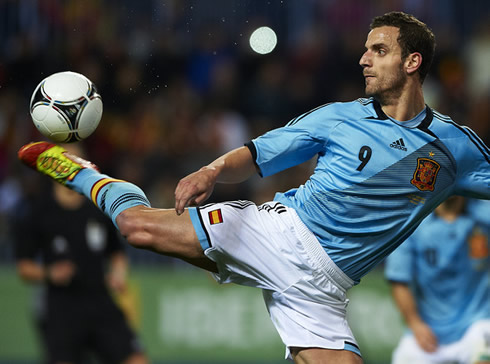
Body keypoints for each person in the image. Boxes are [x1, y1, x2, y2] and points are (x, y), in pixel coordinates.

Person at [18, 11, 490, 364]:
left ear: (413, 61)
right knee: (136, 228)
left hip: (323, 290)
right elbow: (258, 154)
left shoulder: (455, 148)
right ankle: (81, 171)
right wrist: (211, 171)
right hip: (277, 233)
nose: (364, 59)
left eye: (379, 51)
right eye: (365, 49)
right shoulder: (336, 117)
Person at [14, 145, 148, 364]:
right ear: (52, 165)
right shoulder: (38, 212)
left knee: (136, 360)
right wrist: (49, 273)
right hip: (62, 307)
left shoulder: (98, 207)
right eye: (65, 161)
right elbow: (23, 267)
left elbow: (116, 252)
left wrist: (118, 273)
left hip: (101, 301)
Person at [385, 196, 490, 364]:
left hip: (477, 321)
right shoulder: (411, 220)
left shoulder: (485, 213)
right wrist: (415, 323)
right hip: (428, 332)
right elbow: (399, 282)